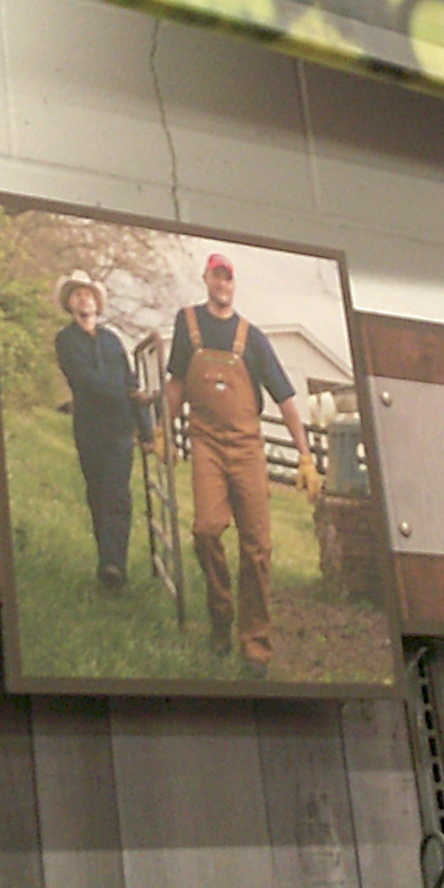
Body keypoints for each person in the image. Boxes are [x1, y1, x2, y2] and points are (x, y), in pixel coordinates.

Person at [162, 251, 316, 672]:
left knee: (257, 549)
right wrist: (162, 429)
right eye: (216, 276)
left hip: (247, 450)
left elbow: (285, 399)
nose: (222, 284)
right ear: (206, 278)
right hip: (206, 444)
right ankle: (221, 615)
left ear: (234, 283)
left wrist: (305, 456)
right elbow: (176, 382)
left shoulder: (253, 338)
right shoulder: (187, 323)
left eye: (228, 278)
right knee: (207, 530)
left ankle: (255, 644)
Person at [53, 271, 140, 590]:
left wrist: (146, 430)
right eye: (77, 294)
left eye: (88, 294)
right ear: (70, 303)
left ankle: (115, 564)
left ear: (97, 302)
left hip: (120, 429)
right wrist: (123, 396)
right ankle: (107, 560)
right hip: (90, 430)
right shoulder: (66, 340)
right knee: (98, 495)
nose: (84, 299)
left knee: (117, 494)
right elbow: (83, 379)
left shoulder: (112, 340)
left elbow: (130, 382)